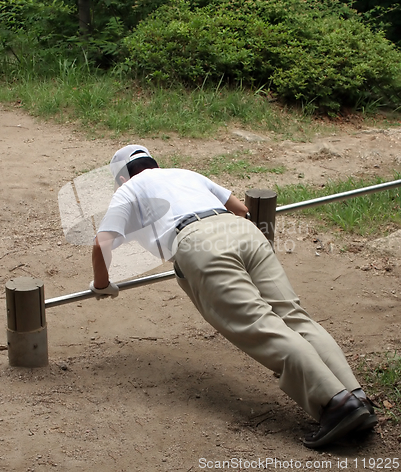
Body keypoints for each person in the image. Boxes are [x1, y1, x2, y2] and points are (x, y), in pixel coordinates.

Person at [90, 144, 377, 448]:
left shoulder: (127, 190)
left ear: (122, 178)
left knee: (262, 326)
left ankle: (335, 405)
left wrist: (102, 283)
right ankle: (355, 396)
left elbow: (102, 243)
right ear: (153, 163)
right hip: (242, 232)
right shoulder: (185, 173)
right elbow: (241, 209)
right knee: (294, 317)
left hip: (198, 243)